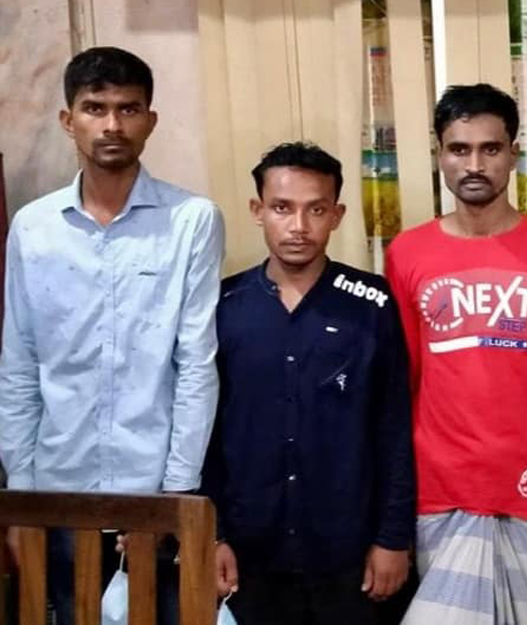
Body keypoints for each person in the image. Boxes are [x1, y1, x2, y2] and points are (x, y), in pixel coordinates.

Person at [0, 46, 224, 624]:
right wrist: (22, 497)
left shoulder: (190, 220)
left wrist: (176, 494)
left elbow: (196, 364)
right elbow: (20, 363)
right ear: (67, 119)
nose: (112, 125)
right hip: (57, 495)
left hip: (153, 495)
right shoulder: (34, 227)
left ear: (150, 119)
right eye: (95, 108)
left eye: (128, 109)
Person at [385, 83, 527, 624]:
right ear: (440, 155)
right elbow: (404, 384)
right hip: (439, 495)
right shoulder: (406, 253)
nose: (474, 165)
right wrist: (397, 507)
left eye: (490, 149)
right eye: (459, 149)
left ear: (513, 154)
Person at [201, 142, 414, 624]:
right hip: (250, 552)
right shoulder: (222, 306)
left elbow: (394, 428)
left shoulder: (372, 303)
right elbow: (203, 433)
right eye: (282, 208)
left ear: (337, 215)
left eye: (315, 209)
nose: (298, 226)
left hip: (350, 553)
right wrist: (212, 535)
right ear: (257, 211)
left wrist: (393, 537)